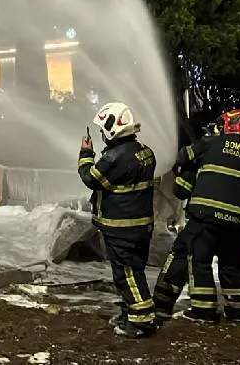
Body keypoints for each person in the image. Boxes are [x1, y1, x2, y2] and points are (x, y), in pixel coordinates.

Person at [169, 108, 240, 324]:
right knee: (233, 265)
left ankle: (203, 312)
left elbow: (183, 156)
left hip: (206, 218)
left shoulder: (213, 143)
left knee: (199, 260)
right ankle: (237, 313)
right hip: (237, 224)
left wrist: (205, 142)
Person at [77, 102, 158, 338]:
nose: (102, 133)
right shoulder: (145, 151)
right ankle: (131, 312)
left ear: (113, 129)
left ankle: (142, 322)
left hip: (122, 226)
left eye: (103, 129)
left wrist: (85, 154)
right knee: (135, 271)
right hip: (141, 224)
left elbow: (91, 178)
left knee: (127, 273)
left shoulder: (115, 157)